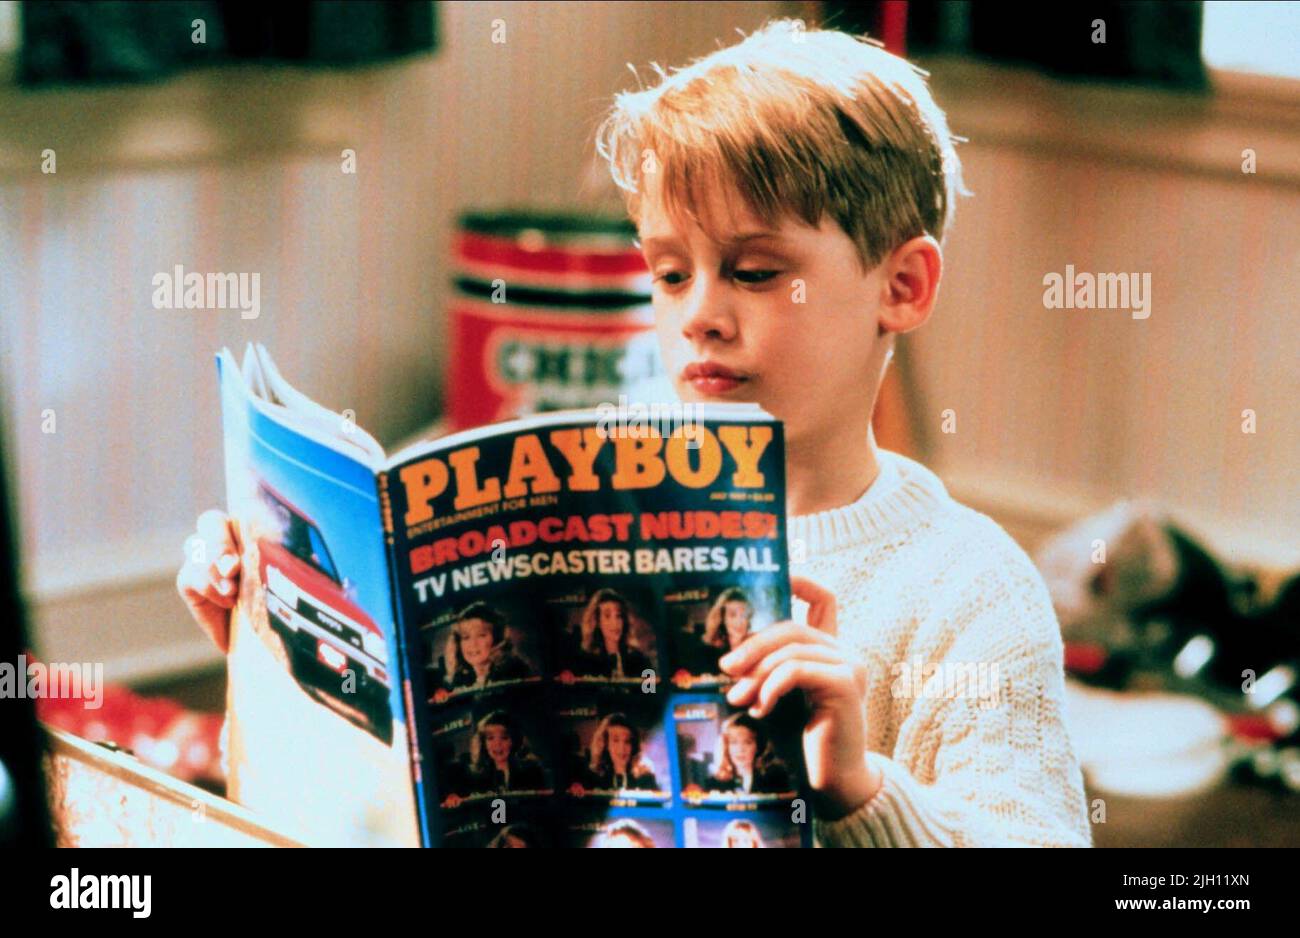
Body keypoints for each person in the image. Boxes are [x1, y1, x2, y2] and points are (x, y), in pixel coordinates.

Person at [179, 18, 1091, 846]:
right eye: (667, 272)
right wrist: (271, 641)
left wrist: (859, 790)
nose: (698, 315)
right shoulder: (580, 522)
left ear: (903, 286)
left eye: (757, 273)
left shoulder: (969, 590)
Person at [435, 602, 534, 698]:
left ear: (497, 638)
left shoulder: (514, 672)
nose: (473, 644)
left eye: (481, 635)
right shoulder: (461, 680)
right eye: (466, 637)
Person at [571, 588, 653, 680]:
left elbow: (650, 691)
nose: (615, 623)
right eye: (607, 616)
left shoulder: (639, 658)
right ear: (597, 622)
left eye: (618, 616)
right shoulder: (585, 660)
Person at [463, 710, 548, 796]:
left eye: (504, 738)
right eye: (490, 738)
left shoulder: (531, 770)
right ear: (483, 743)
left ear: (514, 741)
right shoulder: (476, 775)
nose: (497, 744)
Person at [704, 713, 791, 795]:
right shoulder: (713, 783)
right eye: (734, 742)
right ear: (726, 747)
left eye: (747, 742)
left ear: (757, 746)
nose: (740, 749)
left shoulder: (775, 778)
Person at [577, 712, 660, 792]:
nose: (622, 748)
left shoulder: (646, 779)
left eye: (627, 741)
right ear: (605, 744)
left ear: (633, 746)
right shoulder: (592, 780)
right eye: (616, 740)